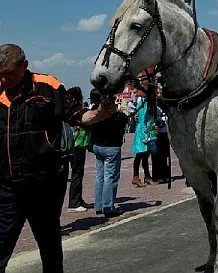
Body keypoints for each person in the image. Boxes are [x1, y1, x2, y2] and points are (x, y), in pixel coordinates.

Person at [0, 44, 110, 273]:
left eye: (9, 73)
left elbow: (78, 116)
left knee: (49, 245)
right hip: (6, 186)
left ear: (24, 66)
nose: (4, 79)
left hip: (43, 184)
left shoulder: (48, 87)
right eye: (0, 74)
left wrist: (101, 112)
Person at [88, 89, 128, 217]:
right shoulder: (112, 114)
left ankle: (99, 205)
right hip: (111, 147)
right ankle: (108, 206)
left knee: (100, 176)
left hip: (97, 146)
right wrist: (117, 111)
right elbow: (123, 120)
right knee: (110, 177)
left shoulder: (94, 112)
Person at [64, 86, 93, 213]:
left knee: (77, 173)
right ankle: (74, 203)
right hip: (77, 145)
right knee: (77, 174)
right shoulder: (79, 112)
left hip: (70, 145)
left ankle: (78, 199)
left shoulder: (66, 111)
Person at [132, 86, 159, 187]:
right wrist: (146, 134)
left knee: (146, 155)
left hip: (149, 130)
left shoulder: (151, 102)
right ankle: (135, 176)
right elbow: (143, 119)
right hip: (143, 131)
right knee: (140, 154)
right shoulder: (144, 101)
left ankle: (147, 177)